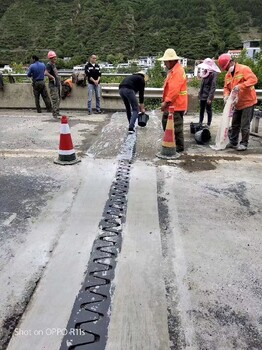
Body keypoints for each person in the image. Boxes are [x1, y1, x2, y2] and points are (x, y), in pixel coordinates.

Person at [218, 53, 258, 151]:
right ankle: (233, 142)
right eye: (225, 68)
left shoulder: (244, 69)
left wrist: (240, 86)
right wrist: (226, 96)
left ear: (231, 62)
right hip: (237, 103)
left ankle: (244, 143)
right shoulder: (228, 75)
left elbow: (253, 79)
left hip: (248, 102)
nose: (227, 69)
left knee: (245, 125)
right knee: (235, 124)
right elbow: (226, 88)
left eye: (227, 67)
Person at [158, 48, 188, 152]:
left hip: (175, 105)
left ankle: (178, 148)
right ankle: (171, 143)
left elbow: (174, 90)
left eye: (165, 61)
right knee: (167, 124)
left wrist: (166, 102)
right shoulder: (174, 71)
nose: (164, 64)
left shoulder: (177, 72)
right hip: (173, 104)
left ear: (171, 61)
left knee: (176, 127)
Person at [197, 58, 221, 128]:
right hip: (202, 95)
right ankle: (200, 122)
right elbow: (202, 84)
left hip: (208, 95)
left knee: (208, 110)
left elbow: (213, 86)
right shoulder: (205, 71)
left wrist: (210, 98)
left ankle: (208, 124)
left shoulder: (213, 74)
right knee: (201, 109)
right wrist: (199, 93)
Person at [45, 51, 61, 118]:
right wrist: (52, 77)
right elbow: (45, 73)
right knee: (55, 99)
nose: (55, 58)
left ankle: (57, 112)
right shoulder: (49, 65)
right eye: (53, 57)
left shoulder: (53, 64)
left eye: (55, 57)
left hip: (57, 84)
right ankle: (54, 114)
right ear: (50, 58)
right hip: (53, 85)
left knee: (58, 99)